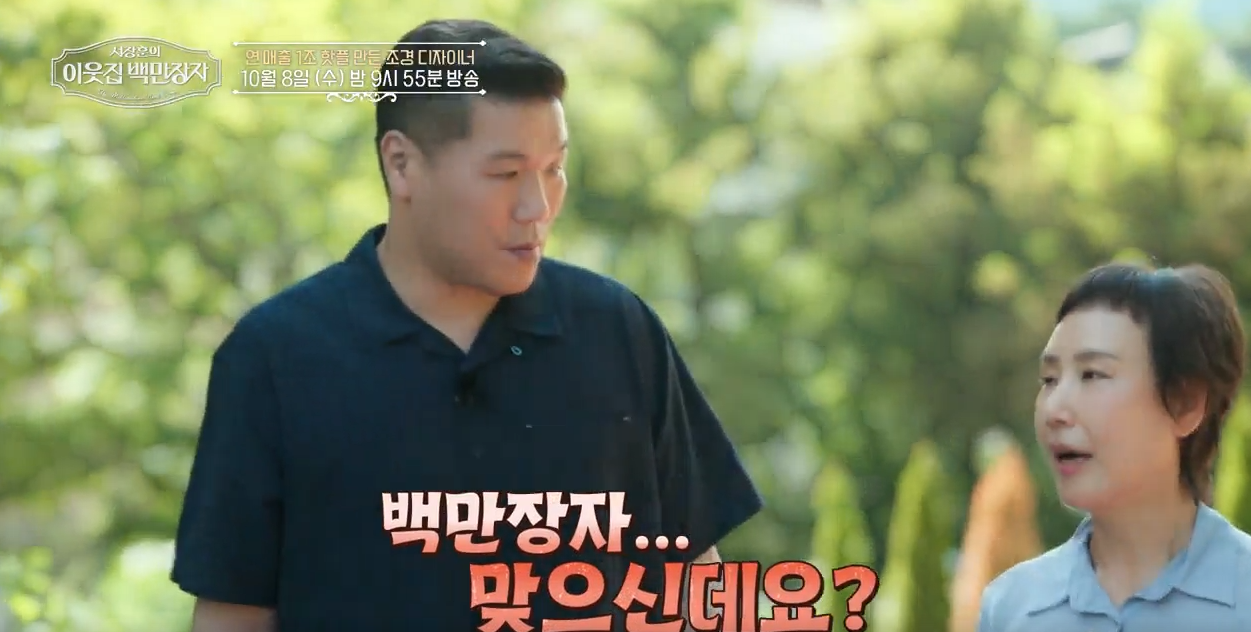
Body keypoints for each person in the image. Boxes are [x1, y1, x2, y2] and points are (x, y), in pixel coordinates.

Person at [171, 19, 763, 632]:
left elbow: (697, 582)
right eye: (506, 174)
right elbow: (233, 613)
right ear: (401, 163)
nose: (537, 206)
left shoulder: (618, 332)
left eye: (554, 168)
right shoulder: (277, 357)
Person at [978, 262, 1251, 631]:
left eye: (1092, 374)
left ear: (1185, 403)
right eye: (1049, 379)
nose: (1055, 409)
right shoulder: (1013, 607)